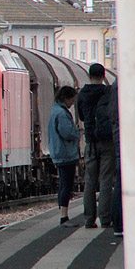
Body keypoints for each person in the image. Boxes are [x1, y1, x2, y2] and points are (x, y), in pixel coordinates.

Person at [77, 63, 116, 229]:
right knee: (106, 179)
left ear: (89, 75)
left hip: (90, 142)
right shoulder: (108, 92)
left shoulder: (82, 94)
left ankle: (88, 219)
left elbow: (81, 116)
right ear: (103, 76)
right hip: (107, 141)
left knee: (90, 181)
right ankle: (105, 219)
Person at [49, 86, 80, 225]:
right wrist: (77, 133)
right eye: (72, 100)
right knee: (66, 185)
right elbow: (67, 133)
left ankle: (63, 215)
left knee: (63, 184)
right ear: (66, 98)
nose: (72, 103)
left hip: (59, 151)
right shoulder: (61, 113)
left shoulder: (55, 110)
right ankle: (64, 217)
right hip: (65, 153)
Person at [100, 79, 123, 236]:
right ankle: (119, 223)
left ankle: (117, 223)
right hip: (123, 139)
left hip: (117, 138)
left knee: (118, 180)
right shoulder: (121, 85)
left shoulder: (114, 89)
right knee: (121, 181)